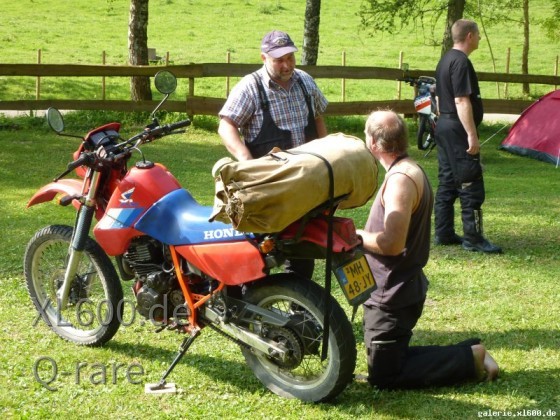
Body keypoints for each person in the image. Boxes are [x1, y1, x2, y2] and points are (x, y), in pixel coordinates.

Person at [357, 110, 498, 390]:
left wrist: (357, 236)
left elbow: (392, 244)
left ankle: (471, 357)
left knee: (385, 376)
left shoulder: (400, 181)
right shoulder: (409, 168)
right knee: (387, 361)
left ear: (373, 143)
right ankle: (471, 348)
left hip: (393, 293)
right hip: (397, 288)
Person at [218, 30, 328, 279]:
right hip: (268, 185)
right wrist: (246, 161)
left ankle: (300, 307)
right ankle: (258, 303)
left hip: (306, 181)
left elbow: (318, 117)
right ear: (264, 57)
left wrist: (326, 151)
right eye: (279, 59)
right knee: (262, 250)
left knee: (302, 246)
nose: (287, 65)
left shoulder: (305, 81)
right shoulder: (251, 87)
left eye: (290, 57)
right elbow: (226, 126)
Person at [434, 19, 502, 253]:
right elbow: (461, 100)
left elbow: (439, 98)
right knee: (470, 182)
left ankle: (443, 232)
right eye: (479, 34)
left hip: (444, 124)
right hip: (457, 127)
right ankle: (474, 238)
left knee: (447, 180)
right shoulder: (461, 62)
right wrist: (471, 135)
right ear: (470, 36)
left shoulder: (445, 60)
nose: (480, 38)